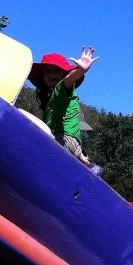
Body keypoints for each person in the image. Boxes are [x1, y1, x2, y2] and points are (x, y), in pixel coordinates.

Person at [27, 46, 101, 174]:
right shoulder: (50, 99)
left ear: (63, 73)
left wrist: (81, 70)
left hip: (65, 139)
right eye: (48, 71)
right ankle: (85, 164)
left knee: (27, 120)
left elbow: (68, 80)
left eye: (56, 70)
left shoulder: (62, 87)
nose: (52, 74)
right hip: (66, 140)